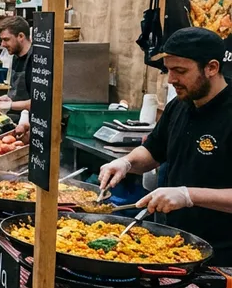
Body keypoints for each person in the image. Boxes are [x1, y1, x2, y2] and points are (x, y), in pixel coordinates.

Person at [99, 27, 232, 265]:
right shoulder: (180, 105)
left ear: (212, 68)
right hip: (176, 246)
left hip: (224, 258)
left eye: (180, 71)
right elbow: (153, 151)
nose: (171, 80)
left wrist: (188, 195)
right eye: (168, 70)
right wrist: (126, 162)